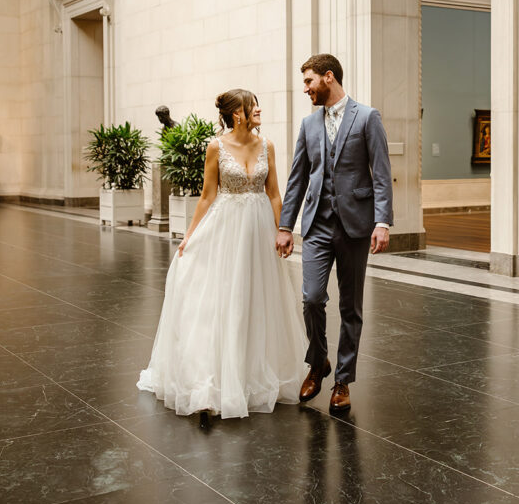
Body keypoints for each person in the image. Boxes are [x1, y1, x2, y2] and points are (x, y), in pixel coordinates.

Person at [138, 90, 306, 418]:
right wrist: (189, 237)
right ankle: (213, 382)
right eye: (251, 105)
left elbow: (273, 193)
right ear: (237, 113)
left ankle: (254, 372)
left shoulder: (267, 145)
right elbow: (206, 195)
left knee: (259, 298)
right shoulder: (215, 146)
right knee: (224, 298)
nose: (258, 109)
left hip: (259, 230)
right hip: (226, 228)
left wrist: (283, 230)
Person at [276, 53, 393, 412]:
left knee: (350, 306)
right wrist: (285, 225)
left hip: (356, 226)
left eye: (310, 81)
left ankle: (342, 379)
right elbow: (297, 177)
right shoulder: (309, 125)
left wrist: (382, 221)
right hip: (317, 224)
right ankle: (318, 362)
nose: (306, 89)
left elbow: (382, 172)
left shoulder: (367, 117)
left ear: (329, 77)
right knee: (311, 298)